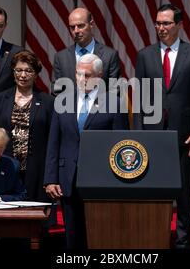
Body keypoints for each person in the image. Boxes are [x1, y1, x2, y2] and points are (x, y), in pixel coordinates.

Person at [134, 4, 190, 249]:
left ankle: (183, 239)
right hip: (152, 135)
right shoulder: (145, 55)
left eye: (166, 23)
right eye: (157, 23)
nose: (161, 28)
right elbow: (142, 98)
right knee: (152, 188)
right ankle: (154, 234)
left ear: (179, 25)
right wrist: (138, 135)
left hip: (185, 134)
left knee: (183, 189)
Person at [44, 54, 129, 249]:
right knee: (72, 239)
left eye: (87, 75)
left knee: (100, 237)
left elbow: (121, 145)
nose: (82, 79)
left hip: (101, 181)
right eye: (78, 73)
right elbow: (54, 143)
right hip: (68, 178)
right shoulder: (62, 101)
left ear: (99, 76)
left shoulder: (115, 103)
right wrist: (50, 179)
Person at [0, 50, 53, 202]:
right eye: (19, 70)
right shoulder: (0, 99)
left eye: (28, 71)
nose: (23, 75)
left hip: (37, 169)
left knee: (36, 215)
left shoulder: (47, 102)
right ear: (13, 72)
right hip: (6, 166)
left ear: (36, 74)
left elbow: (52, 139)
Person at [52, 7, 120, 94]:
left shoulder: (109, 55)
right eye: (72, 27)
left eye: (80, 26)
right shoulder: (61, 57)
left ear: (91, 24)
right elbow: (56, 92)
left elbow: (115, 91)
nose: (76, 31)